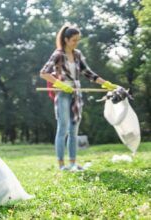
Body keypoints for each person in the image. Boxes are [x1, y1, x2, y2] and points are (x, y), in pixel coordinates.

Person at [39, 24, 119, 171]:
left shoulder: (77, 55)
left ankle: (73, 163)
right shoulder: (58, 54)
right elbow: (44, 73)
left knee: (73, 130)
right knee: (62, 128)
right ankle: (62, 165)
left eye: (78, 40)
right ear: (66, 39)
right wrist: (60, 84)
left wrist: (105, 84)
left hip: (76, 93)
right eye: (74, 40)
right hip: (63, 93)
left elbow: (89, 73)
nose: (76, 42)